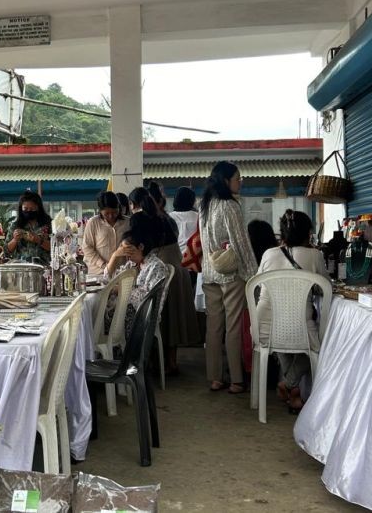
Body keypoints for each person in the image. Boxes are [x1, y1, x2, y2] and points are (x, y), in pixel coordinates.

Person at [254, 210, 328, 414]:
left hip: (264, 328)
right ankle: (289, 384)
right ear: (308, 234)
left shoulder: (269, 254)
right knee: (319, 345)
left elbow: (258, 284)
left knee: (280, 329)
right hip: (299, 329)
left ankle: (292, 390)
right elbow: (324, 288)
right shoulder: (315, 255)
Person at [200, 161, 257, 394]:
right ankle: (236, 379)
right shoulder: (230, 206)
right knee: (233, 327)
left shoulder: (205, 205)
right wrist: (254, 274)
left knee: (213, 327)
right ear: (226, 181)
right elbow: (241, 243)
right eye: (237, 178)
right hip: (231, 274)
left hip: (210, 272)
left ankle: (215, 378)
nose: (240, 182)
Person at [131, 185, 199, 375]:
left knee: (164, 321)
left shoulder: (147, 220)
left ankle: (160, 363)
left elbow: (144, 249)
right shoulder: (165, 218)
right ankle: (170, 362)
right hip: (176, 269)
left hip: (163, 272)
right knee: (172, 321)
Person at [102, 211, 171, 337]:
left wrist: (121, 289)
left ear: (141, 247)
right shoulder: (132, 264)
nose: (126, 255)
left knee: (99, 319)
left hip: (142, 315)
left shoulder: (156, 267)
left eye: (129, 250)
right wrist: (114, 257)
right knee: (97, 315)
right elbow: (106, 282)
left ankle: (122, 348)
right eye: (123, 251)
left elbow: (148, 299)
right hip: (126, 312)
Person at [82, 191, 130, 274]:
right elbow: (87, 247)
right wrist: (104, 265)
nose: (111, 216)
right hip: (98, 272)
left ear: (119, 208)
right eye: (107, 214)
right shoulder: (93, 222)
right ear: (100, 211)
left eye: (114, 212)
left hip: (121, 271)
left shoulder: (127, 222)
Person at [6, 191, 52, 265]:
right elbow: (6, 251)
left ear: (38, 208)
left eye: (32, 209)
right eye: (25, 209)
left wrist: (38, 240)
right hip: (22, 267)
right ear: (21, 208)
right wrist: (15, 240)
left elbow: (56, 248)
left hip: (43, 267)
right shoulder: (15, 225)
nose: (28, 211)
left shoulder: (49, 224)